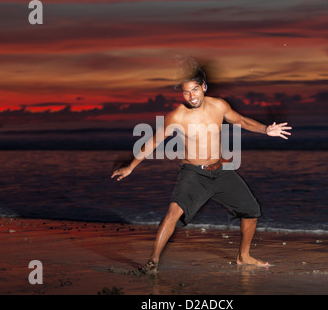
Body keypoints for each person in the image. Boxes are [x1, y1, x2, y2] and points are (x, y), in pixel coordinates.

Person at [111, 66, 291, 275]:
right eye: (186, 91)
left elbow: (240, 120)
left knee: (251, 210)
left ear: (204, 87)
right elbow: (153, 142)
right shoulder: (177, 116)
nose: (191, 96)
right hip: (193, 174)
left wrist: (265, 129)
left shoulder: (219, 106)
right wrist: (131, 166)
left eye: (195, 89)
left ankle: (244, 257)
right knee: (173, 213)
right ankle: (153, 262)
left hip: (222, 170)